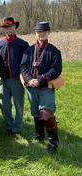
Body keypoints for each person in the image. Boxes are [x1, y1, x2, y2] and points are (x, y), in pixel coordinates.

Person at [21, 22, 62, 153]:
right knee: (35, 113)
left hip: (46, 87)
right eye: (39, 31)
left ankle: (53, 141)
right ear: (35, 33)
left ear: (48, 32)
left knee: (46, 113)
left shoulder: (54, 51)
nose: (41, 33)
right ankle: (39, 137)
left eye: (44, 31)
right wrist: (29, 79)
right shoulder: (29, 50)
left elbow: (56, 70)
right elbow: (23, 67)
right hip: (32, 87)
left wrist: (40, 79)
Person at [0, 17, 29, 135]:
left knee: (18, 105)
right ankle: (9, 125)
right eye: (6, 27)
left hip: (17, 79)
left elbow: (27, 62)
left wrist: (25, 77)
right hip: (4, 80)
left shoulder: (23, 44)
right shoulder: (0, 44)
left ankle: (17, 128)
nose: (8, 29)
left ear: (14, 27)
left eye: (10, 27)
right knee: (3, 104)